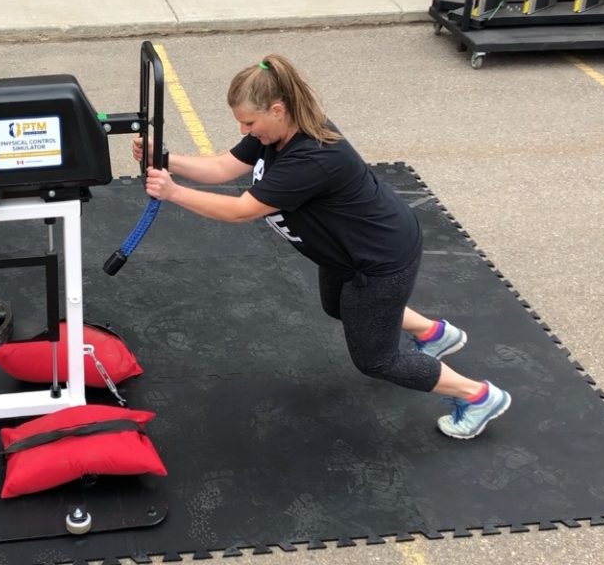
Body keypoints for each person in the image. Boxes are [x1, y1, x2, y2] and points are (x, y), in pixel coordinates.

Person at [133, 54, 511, 439]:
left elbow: (240, 211)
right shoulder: (274, 134)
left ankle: (478, 396)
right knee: (337, 306)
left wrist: (174, 192)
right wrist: (164, 159)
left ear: (277, 109)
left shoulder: (312, 156)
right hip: (345, 251)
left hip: (379, 261)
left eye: (249, 122)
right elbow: (220, 168)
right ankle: (433, 333)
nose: (245, 130)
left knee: (376, 359)